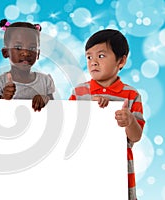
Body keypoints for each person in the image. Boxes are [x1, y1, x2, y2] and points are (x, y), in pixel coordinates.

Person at [69, 29, 145, 200]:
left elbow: (136, 136)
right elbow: (69, 129)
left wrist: (129, 120)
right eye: (89, 57)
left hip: (118, 169)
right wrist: (89, 111)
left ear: (121, 61)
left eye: (101, 56)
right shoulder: (79, 92)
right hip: (85, 167)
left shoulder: (131, 95)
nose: (93, 62)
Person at [0, 19, 55, 111]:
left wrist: (46, 99)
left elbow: (55, 109)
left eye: (32, 48)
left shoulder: (45, 81)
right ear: (5, 52)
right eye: (18, 47)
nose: (26, 53)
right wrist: (4, 98)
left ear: (38, 53)